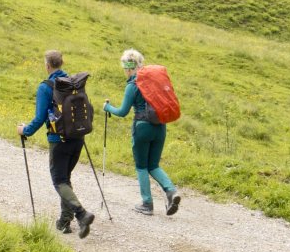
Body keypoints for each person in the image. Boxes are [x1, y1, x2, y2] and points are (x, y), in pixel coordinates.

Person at [19, 50, 96, 237]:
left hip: (59, 141)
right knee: (65, 179)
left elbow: (39, 118)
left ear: (47, 66)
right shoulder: (73, 83)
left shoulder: (46, 87)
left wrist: (25, 130)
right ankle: (64, 222)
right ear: (62, 63)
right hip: (78, 139)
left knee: (59, 181)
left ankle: (82, 214)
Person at [104, 49, 181, 216]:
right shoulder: (154, 83)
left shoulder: (132, 85)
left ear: (128, 67)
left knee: (141, 166)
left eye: (124, 68)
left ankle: (147, 203)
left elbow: (122, 112)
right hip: (160, 127)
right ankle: (171, 191)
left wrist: (108, 107)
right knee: (154, 165)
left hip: (142, 128)